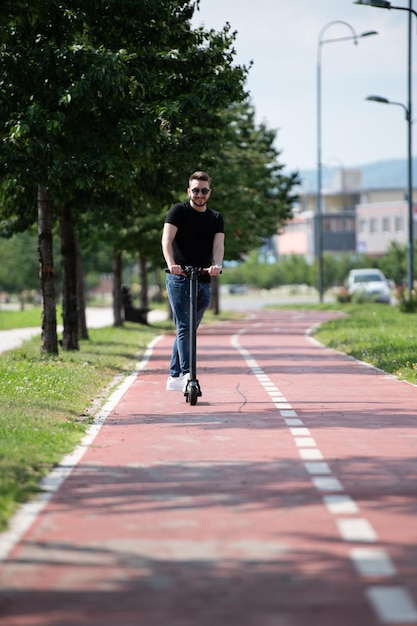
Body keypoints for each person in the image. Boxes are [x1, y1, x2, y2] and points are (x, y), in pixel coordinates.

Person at [161, 171, 224, 391]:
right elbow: (166, 241)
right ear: (189, 191)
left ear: (209, 193)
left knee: (188, 329)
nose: (199, 194)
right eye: (195, 190)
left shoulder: (216, 218)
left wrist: (217, 265)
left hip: (203, 278)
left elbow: (218, 246)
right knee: (185, 327)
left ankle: (174, 375)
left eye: (204, 190)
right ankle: (188, 374)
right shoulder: (178, 211)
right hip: (179, 278)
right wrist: (171, 265)